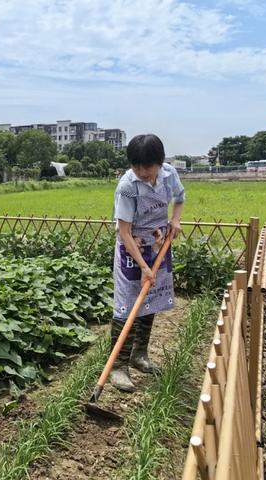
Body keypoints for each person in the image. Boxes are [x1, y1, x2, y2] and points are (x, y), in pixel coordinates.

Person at [110, 134, 185, 392]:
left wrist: (175, 221)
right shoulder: (127, 187)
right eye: (136, 166)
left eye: (147, 166)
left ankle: (139, 355)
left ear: (159, 163)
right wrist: (143, 267)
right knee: (126, 304)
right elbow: (124, 232)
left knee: (149, 299)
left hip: (158, 244)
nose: (142, 171)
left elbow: (180, 198)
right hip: (133, 249)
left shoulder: (168, 175)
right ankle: (118, 366)